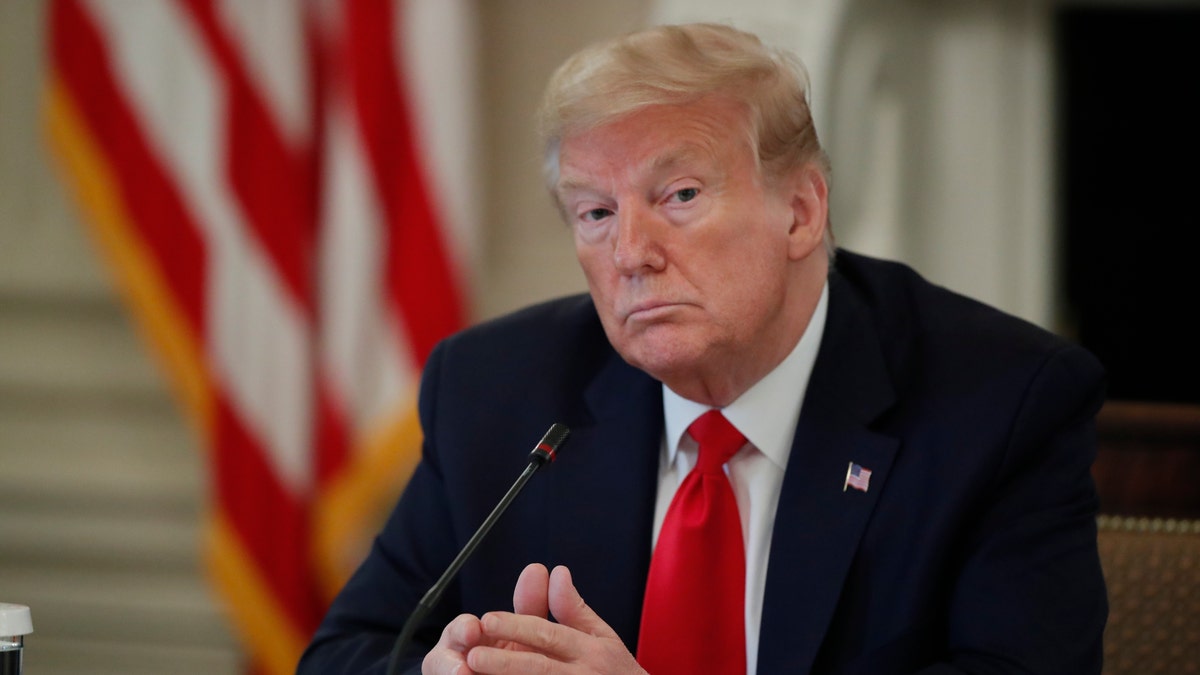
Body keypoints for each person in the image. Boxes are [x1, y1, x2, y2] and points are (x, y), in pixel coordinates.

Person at [297, 23, 1107, 675]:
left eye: (678, 195)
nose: (631, 253)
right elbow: (346, 653)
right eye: (595, 212)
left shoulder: (1001, 402)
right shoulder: (495, 390)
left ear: (801, 210)